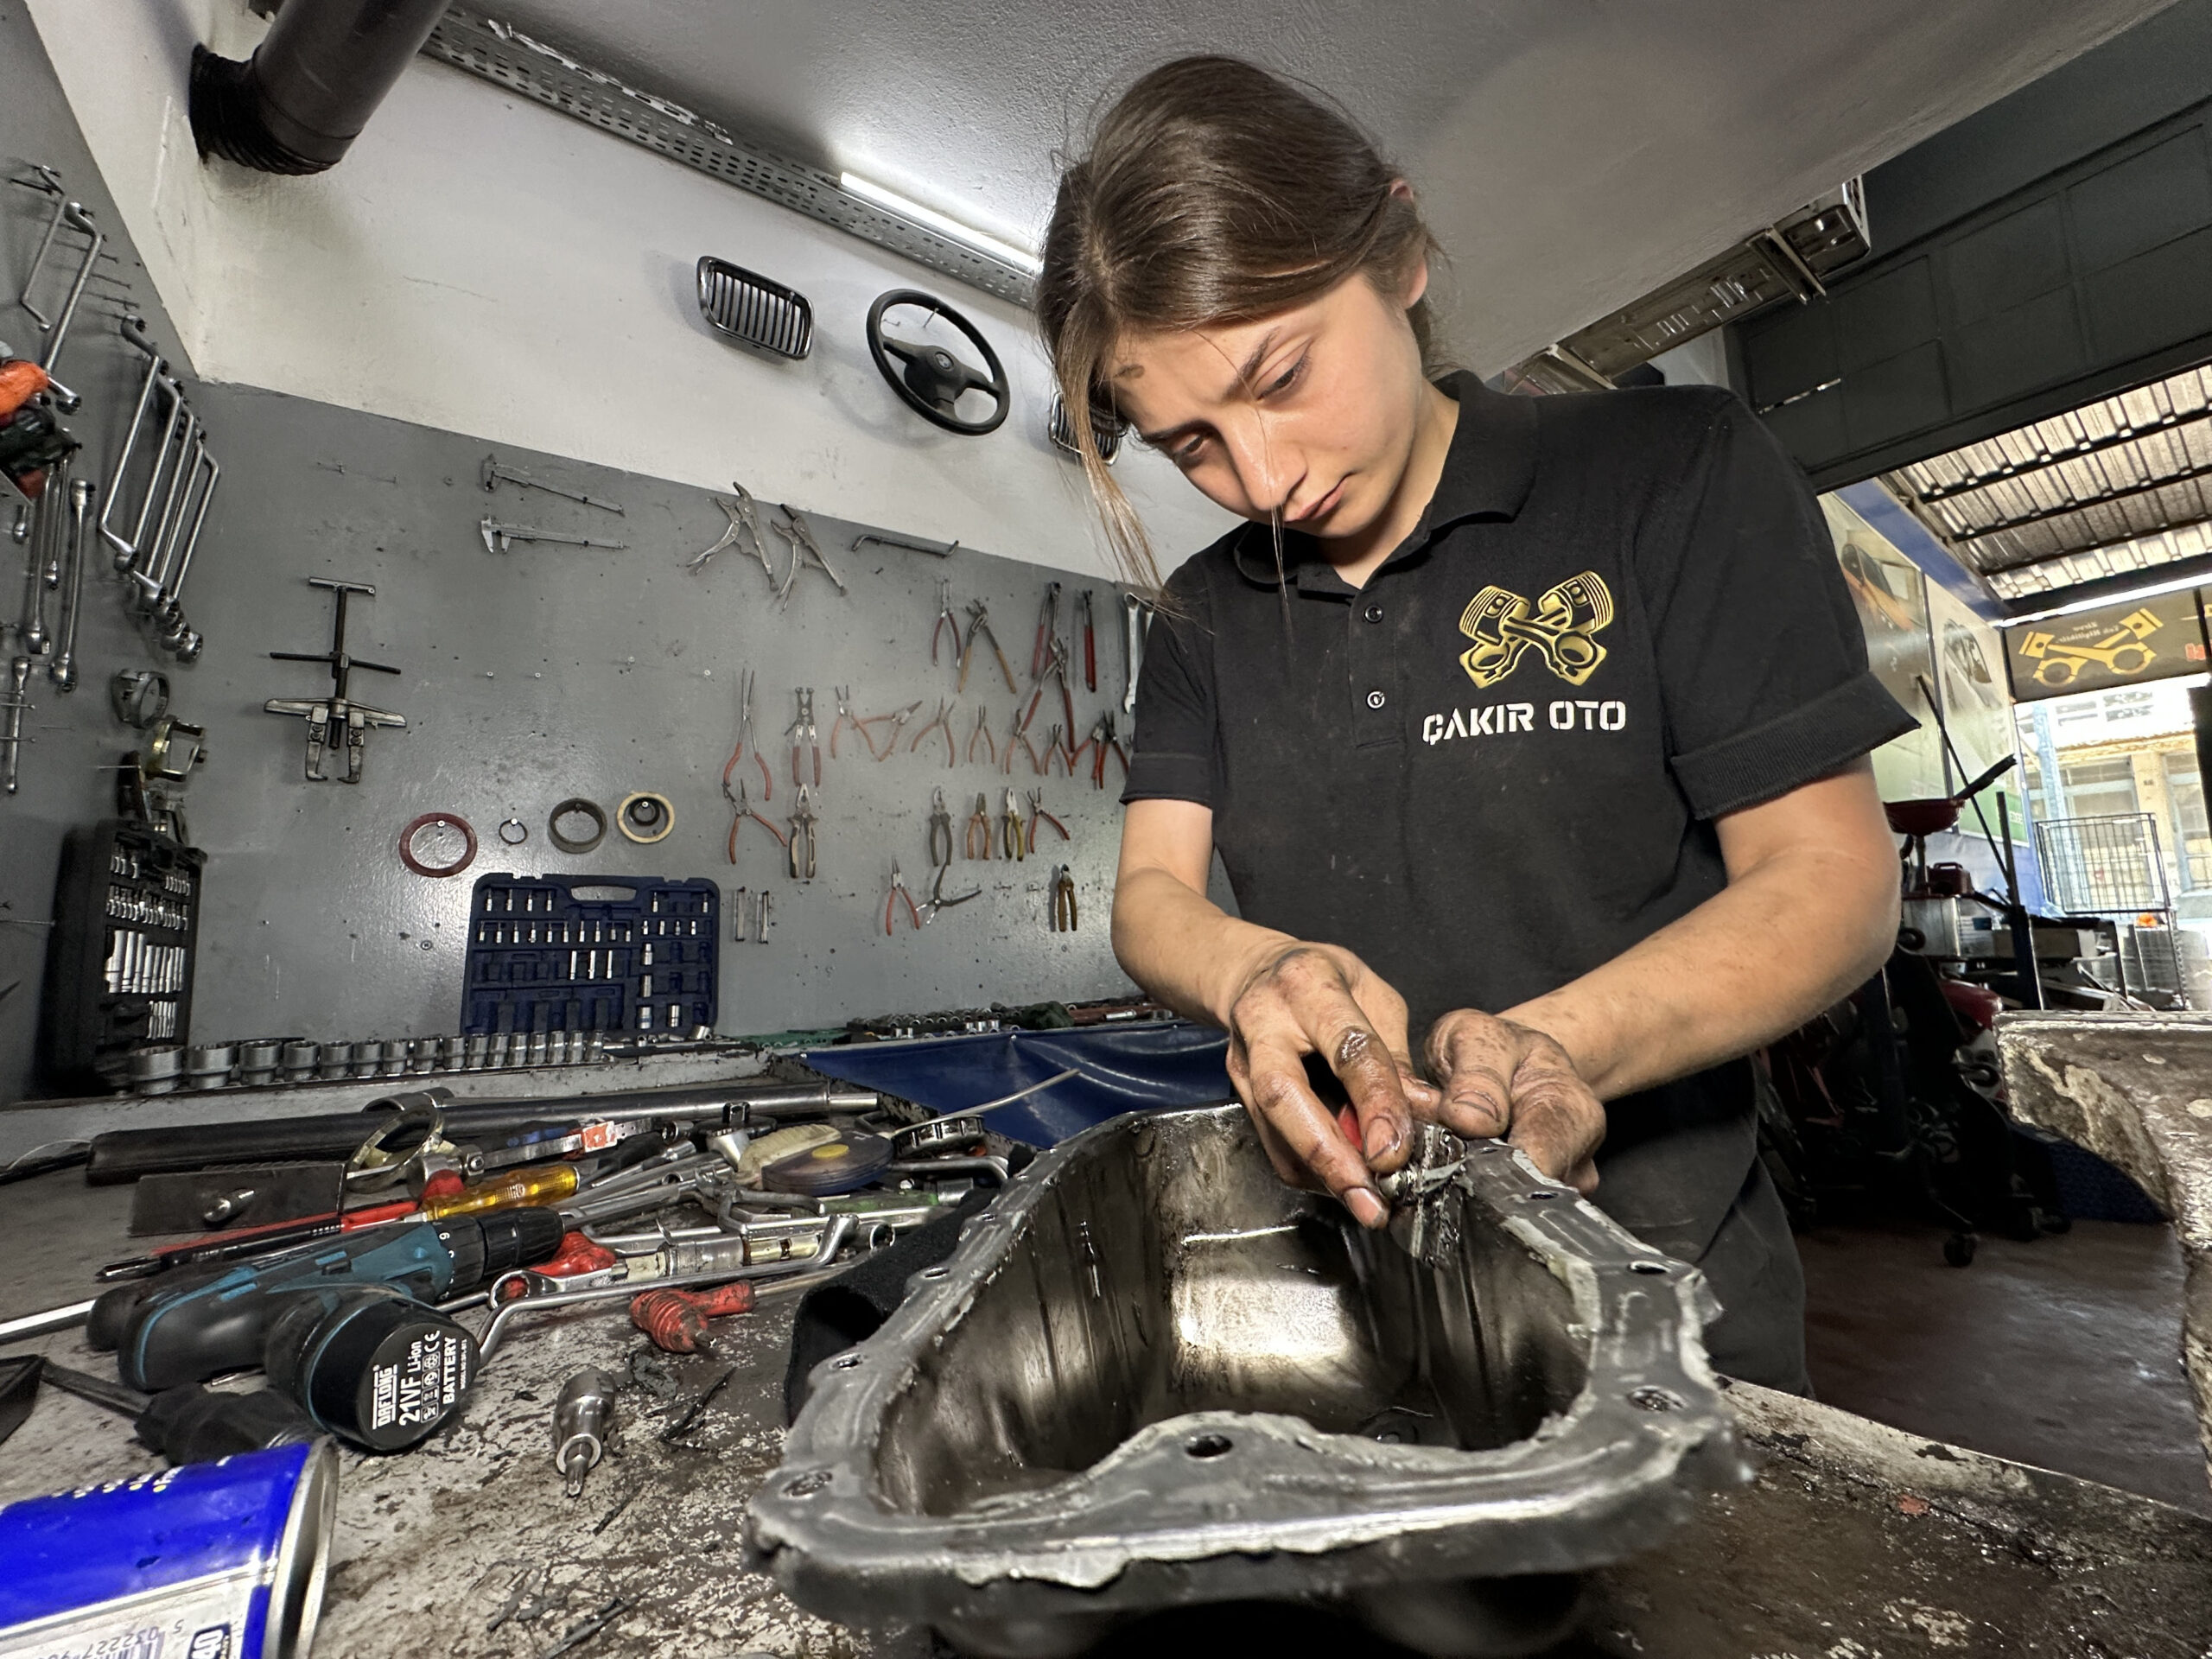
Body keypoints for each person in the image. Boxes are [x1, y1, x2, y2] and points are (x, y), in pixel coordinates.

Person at [1034, 56, 1913, 1392]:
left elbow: (1833, 879)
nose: (1262, 479)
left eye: (1281, 376)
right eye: (1191, 443)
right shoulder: (1205, 613)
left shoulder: (1672, 474)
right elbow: (1153, 897)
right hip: (1352, 1306)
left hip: (1664, 1302)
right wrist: (1257, 973)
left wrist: (1560, 1044)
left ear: (1398, 256)